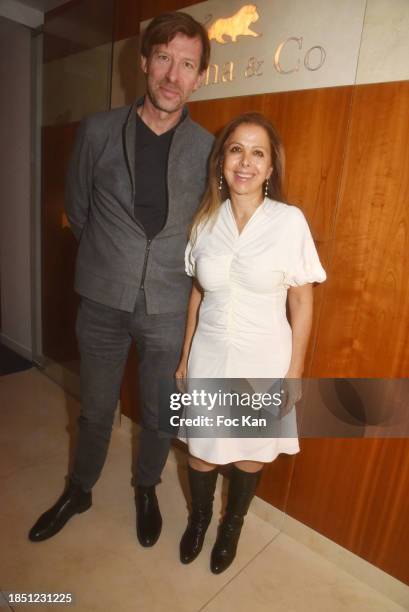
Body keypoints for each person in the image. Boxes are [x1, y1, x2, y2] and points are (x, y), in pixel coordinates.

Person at [28, 12, 214, 547]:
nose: (172, 76)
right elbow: (79, 208)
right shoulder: (98, 130)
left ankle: (146, 487)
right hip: (103, 299)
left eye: (187, 65)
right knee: (95, 408)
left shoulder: (207, 149)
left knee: (159, 412)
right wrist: (115, 259)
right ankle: (79, 488)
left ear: (199, 77)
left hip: (168, 304)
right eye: (163, 59)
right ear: (143, 63)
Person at [175, 112, 326, 573]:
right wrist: (184, 359)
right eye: (236, 149)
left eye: (257, 152)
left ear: (270, 167)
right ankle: (199, 520)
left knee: (248, 451)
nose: (246, 161)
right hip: (208, 354)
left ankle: (231, 526)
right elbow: (198, 293)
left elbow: (302, 302)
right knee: (201, 450)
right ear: (221, 161)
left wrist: (294, 374)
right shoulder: (204, 222)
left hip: (264, 358)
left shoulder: (288, 221)